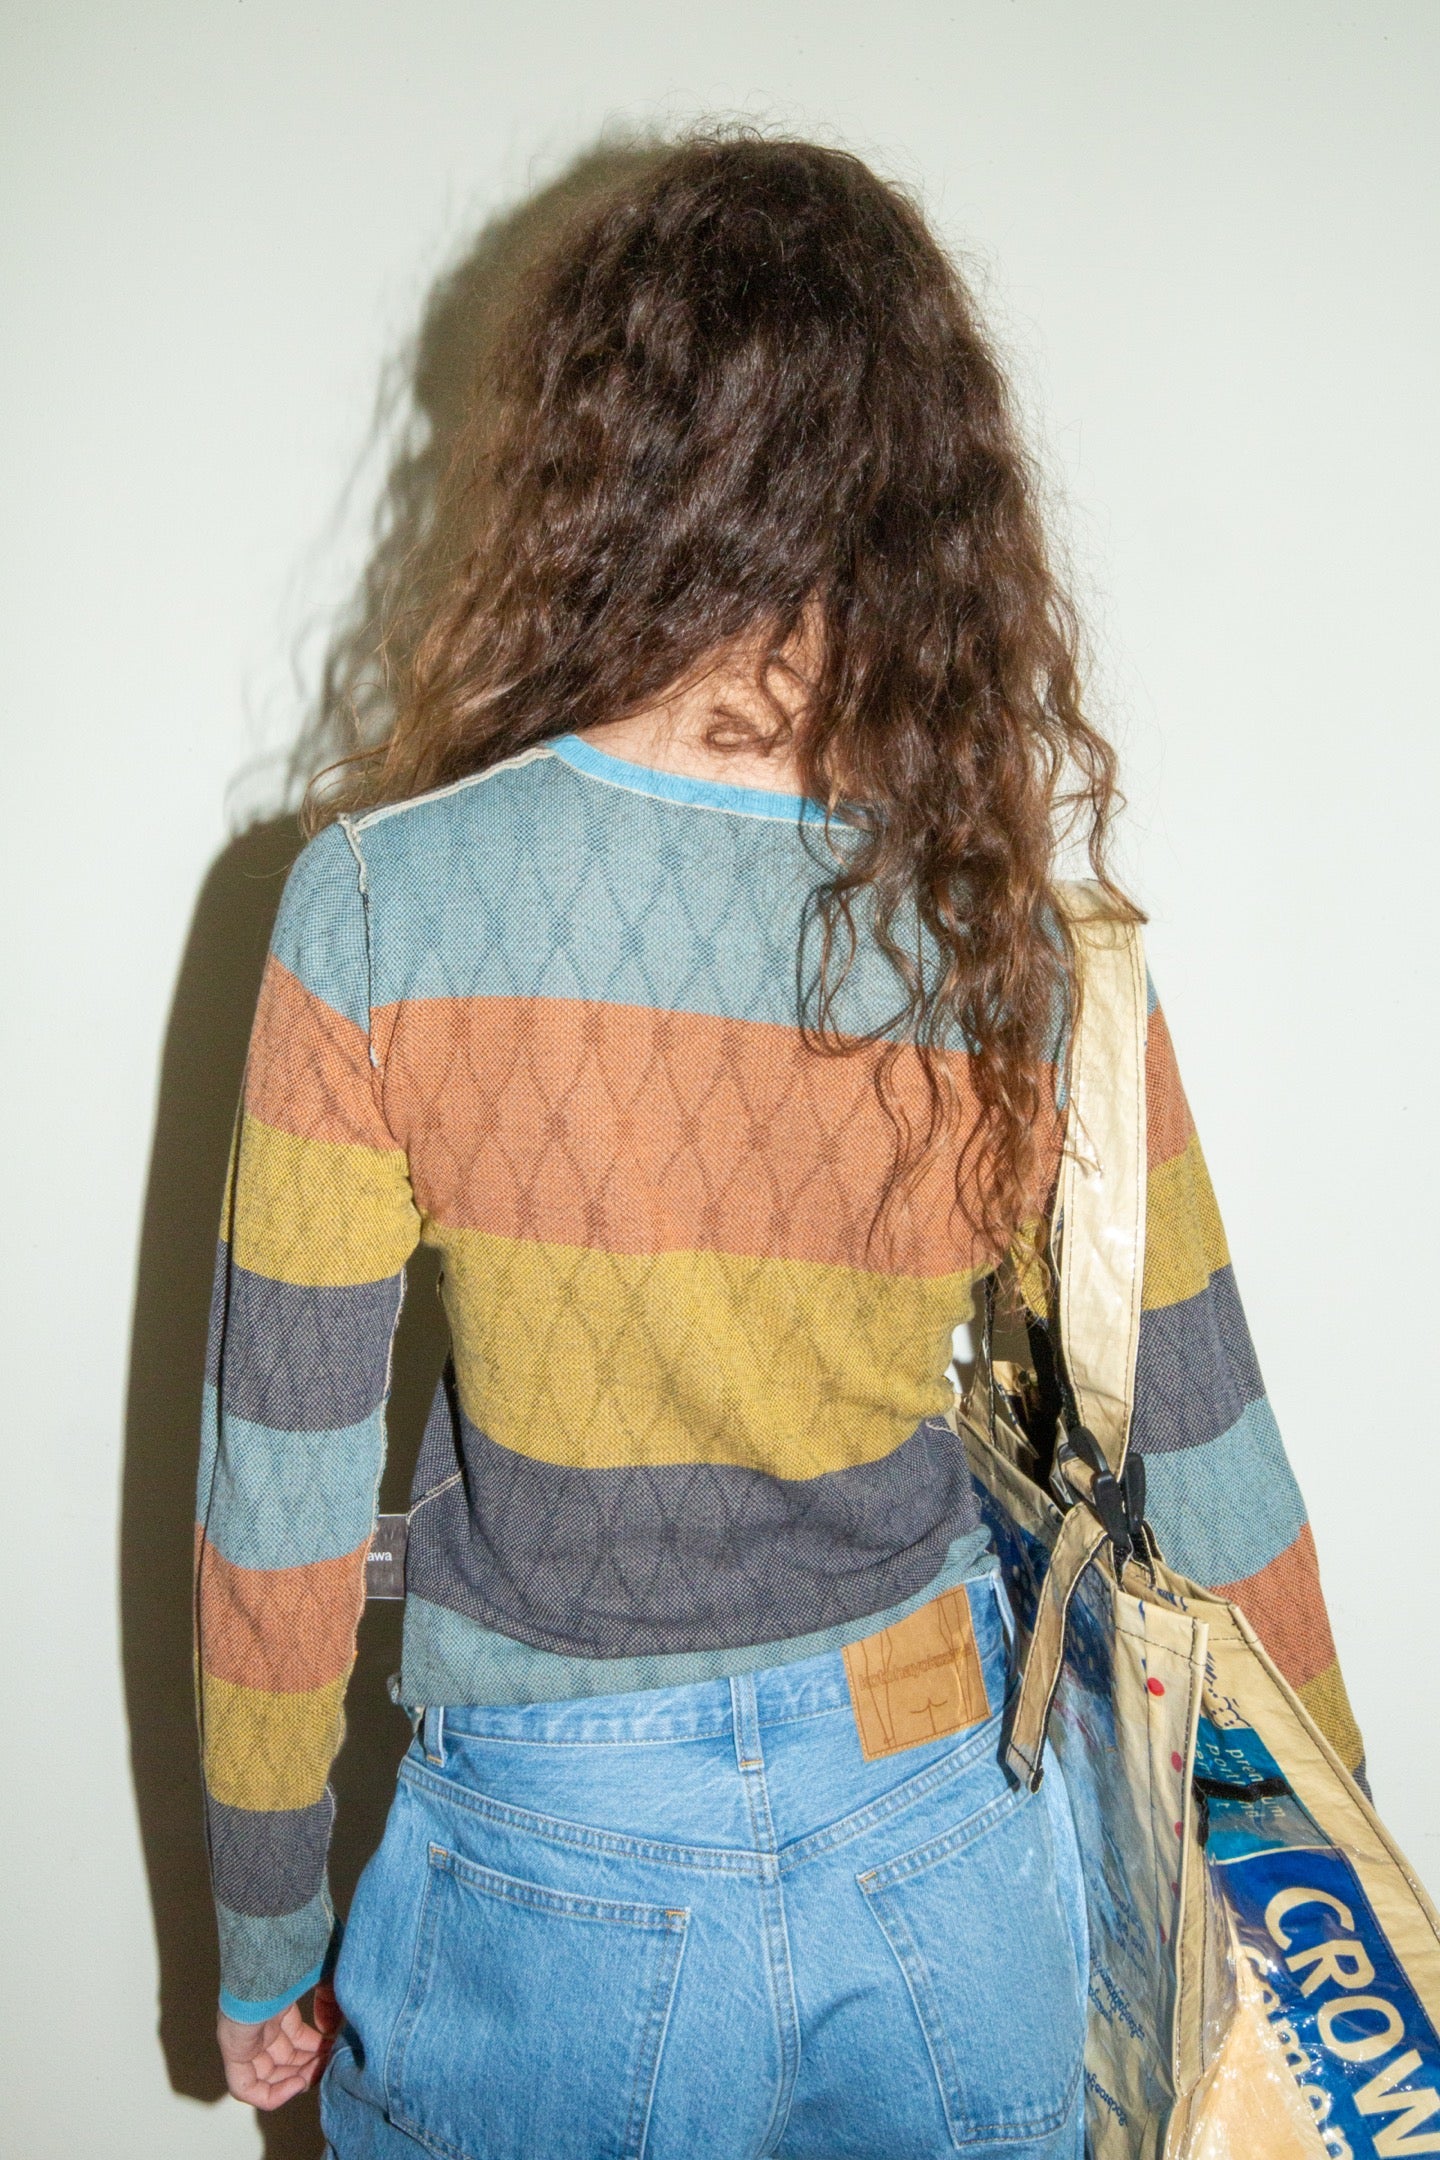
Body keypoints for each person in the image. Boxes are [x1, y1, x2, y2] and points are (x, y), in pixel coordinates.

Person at [196, 134, 1364, 2157]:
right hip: (944, 1845)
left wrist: (261, 1932)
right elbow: (1217, 1442)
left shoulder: (381, 910)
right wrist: (1332, 1878)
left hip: (549, 1873)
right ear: (925, 490)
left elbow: (278, 1501)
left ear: (588, 457)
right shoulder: (1016, 940)